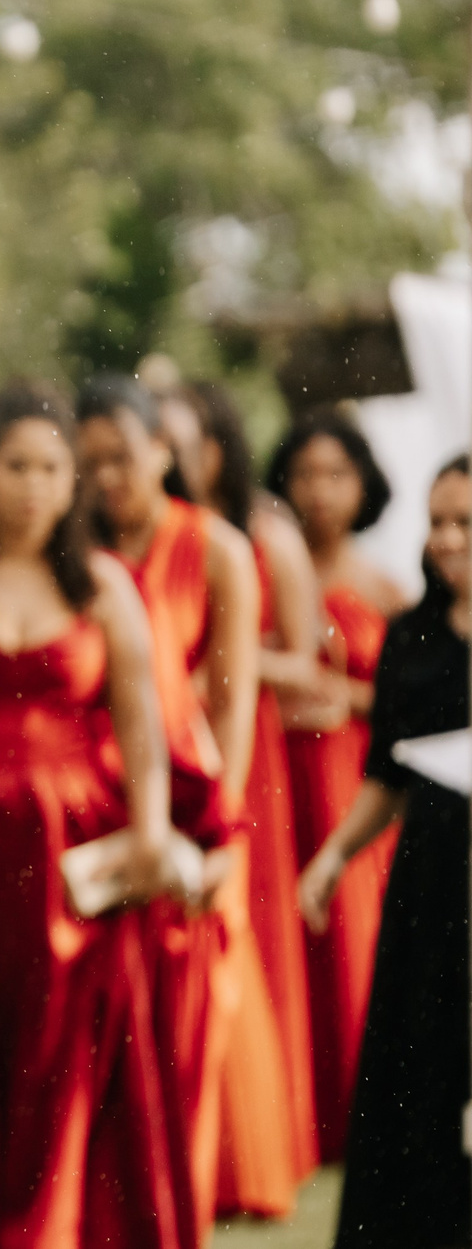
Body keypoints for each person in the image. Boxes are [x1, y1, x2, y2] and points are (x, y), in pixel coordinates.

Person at [0, 383, 186, 1249]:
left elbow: (144, 729)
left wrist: (154, 836)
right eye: (17, 465)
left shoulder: (103, 584)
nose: (36, 485)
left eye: (53, 467)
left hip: (78, 839)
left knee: (68, 1044)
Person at [75, 373, 261, 1240]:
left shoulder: (216, 546)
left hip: (189, 797)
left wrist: (223, 832)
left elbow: (233, 703)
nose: (111, 476)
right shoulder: (71, 548)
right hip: (96, 804)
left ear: (162, 450)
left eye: (125, 455)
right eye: (95, 461)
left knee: (186, 1032)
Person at [156, 380, 323, 1213]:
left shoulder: (258, 532)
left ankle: (249, 1148)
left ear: (218, 443)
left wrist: (216, 666)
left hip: (238, 743)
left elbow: (306, 656)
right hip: (175, 744)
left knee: (242, 940)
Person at [299, 454, 471, 1249]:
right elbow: (386, 773)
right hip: (431, 883)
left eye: (465, 523)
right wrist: (333, 856)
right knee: (418, 1066)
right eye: (438, 522)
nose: (447, 539)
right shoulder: (413, 633)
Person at [266, 409, 407, 1162]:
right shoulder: (264, 572)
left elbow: (420, 697)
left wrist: (345, 698)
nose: (320, 492)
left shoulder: (385, 589)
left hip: (353, 780)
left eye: (337, 475)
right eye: (305, 475)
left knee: (354, 937)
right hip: (282, 779)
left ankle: (364, 1113)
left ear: (363, 485)